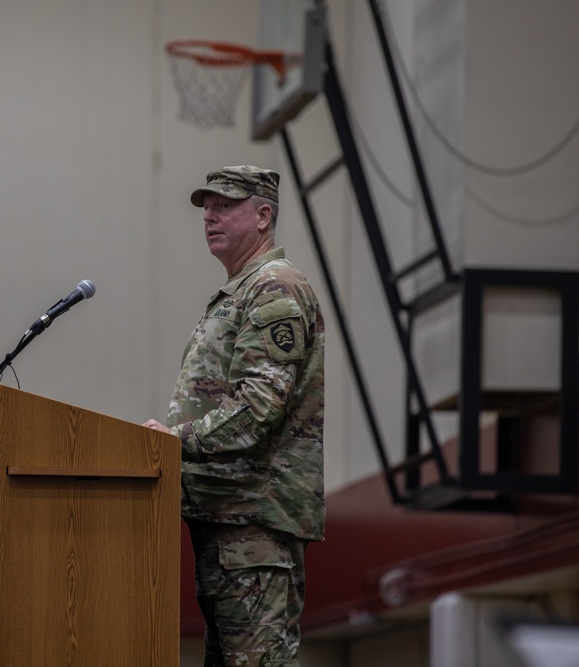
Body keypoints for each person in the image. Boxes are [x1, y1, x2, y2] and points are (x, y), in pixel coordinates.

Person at [142, 166, 325, 667]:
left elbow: (256, 408)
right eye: (206, 206)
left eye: (225, 205)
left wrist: (172, 441)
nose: (209, 216)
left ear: (264, 215)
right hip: (231, 528)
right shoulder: (243, 290)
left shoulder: (274, 289)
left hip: (254, 528)